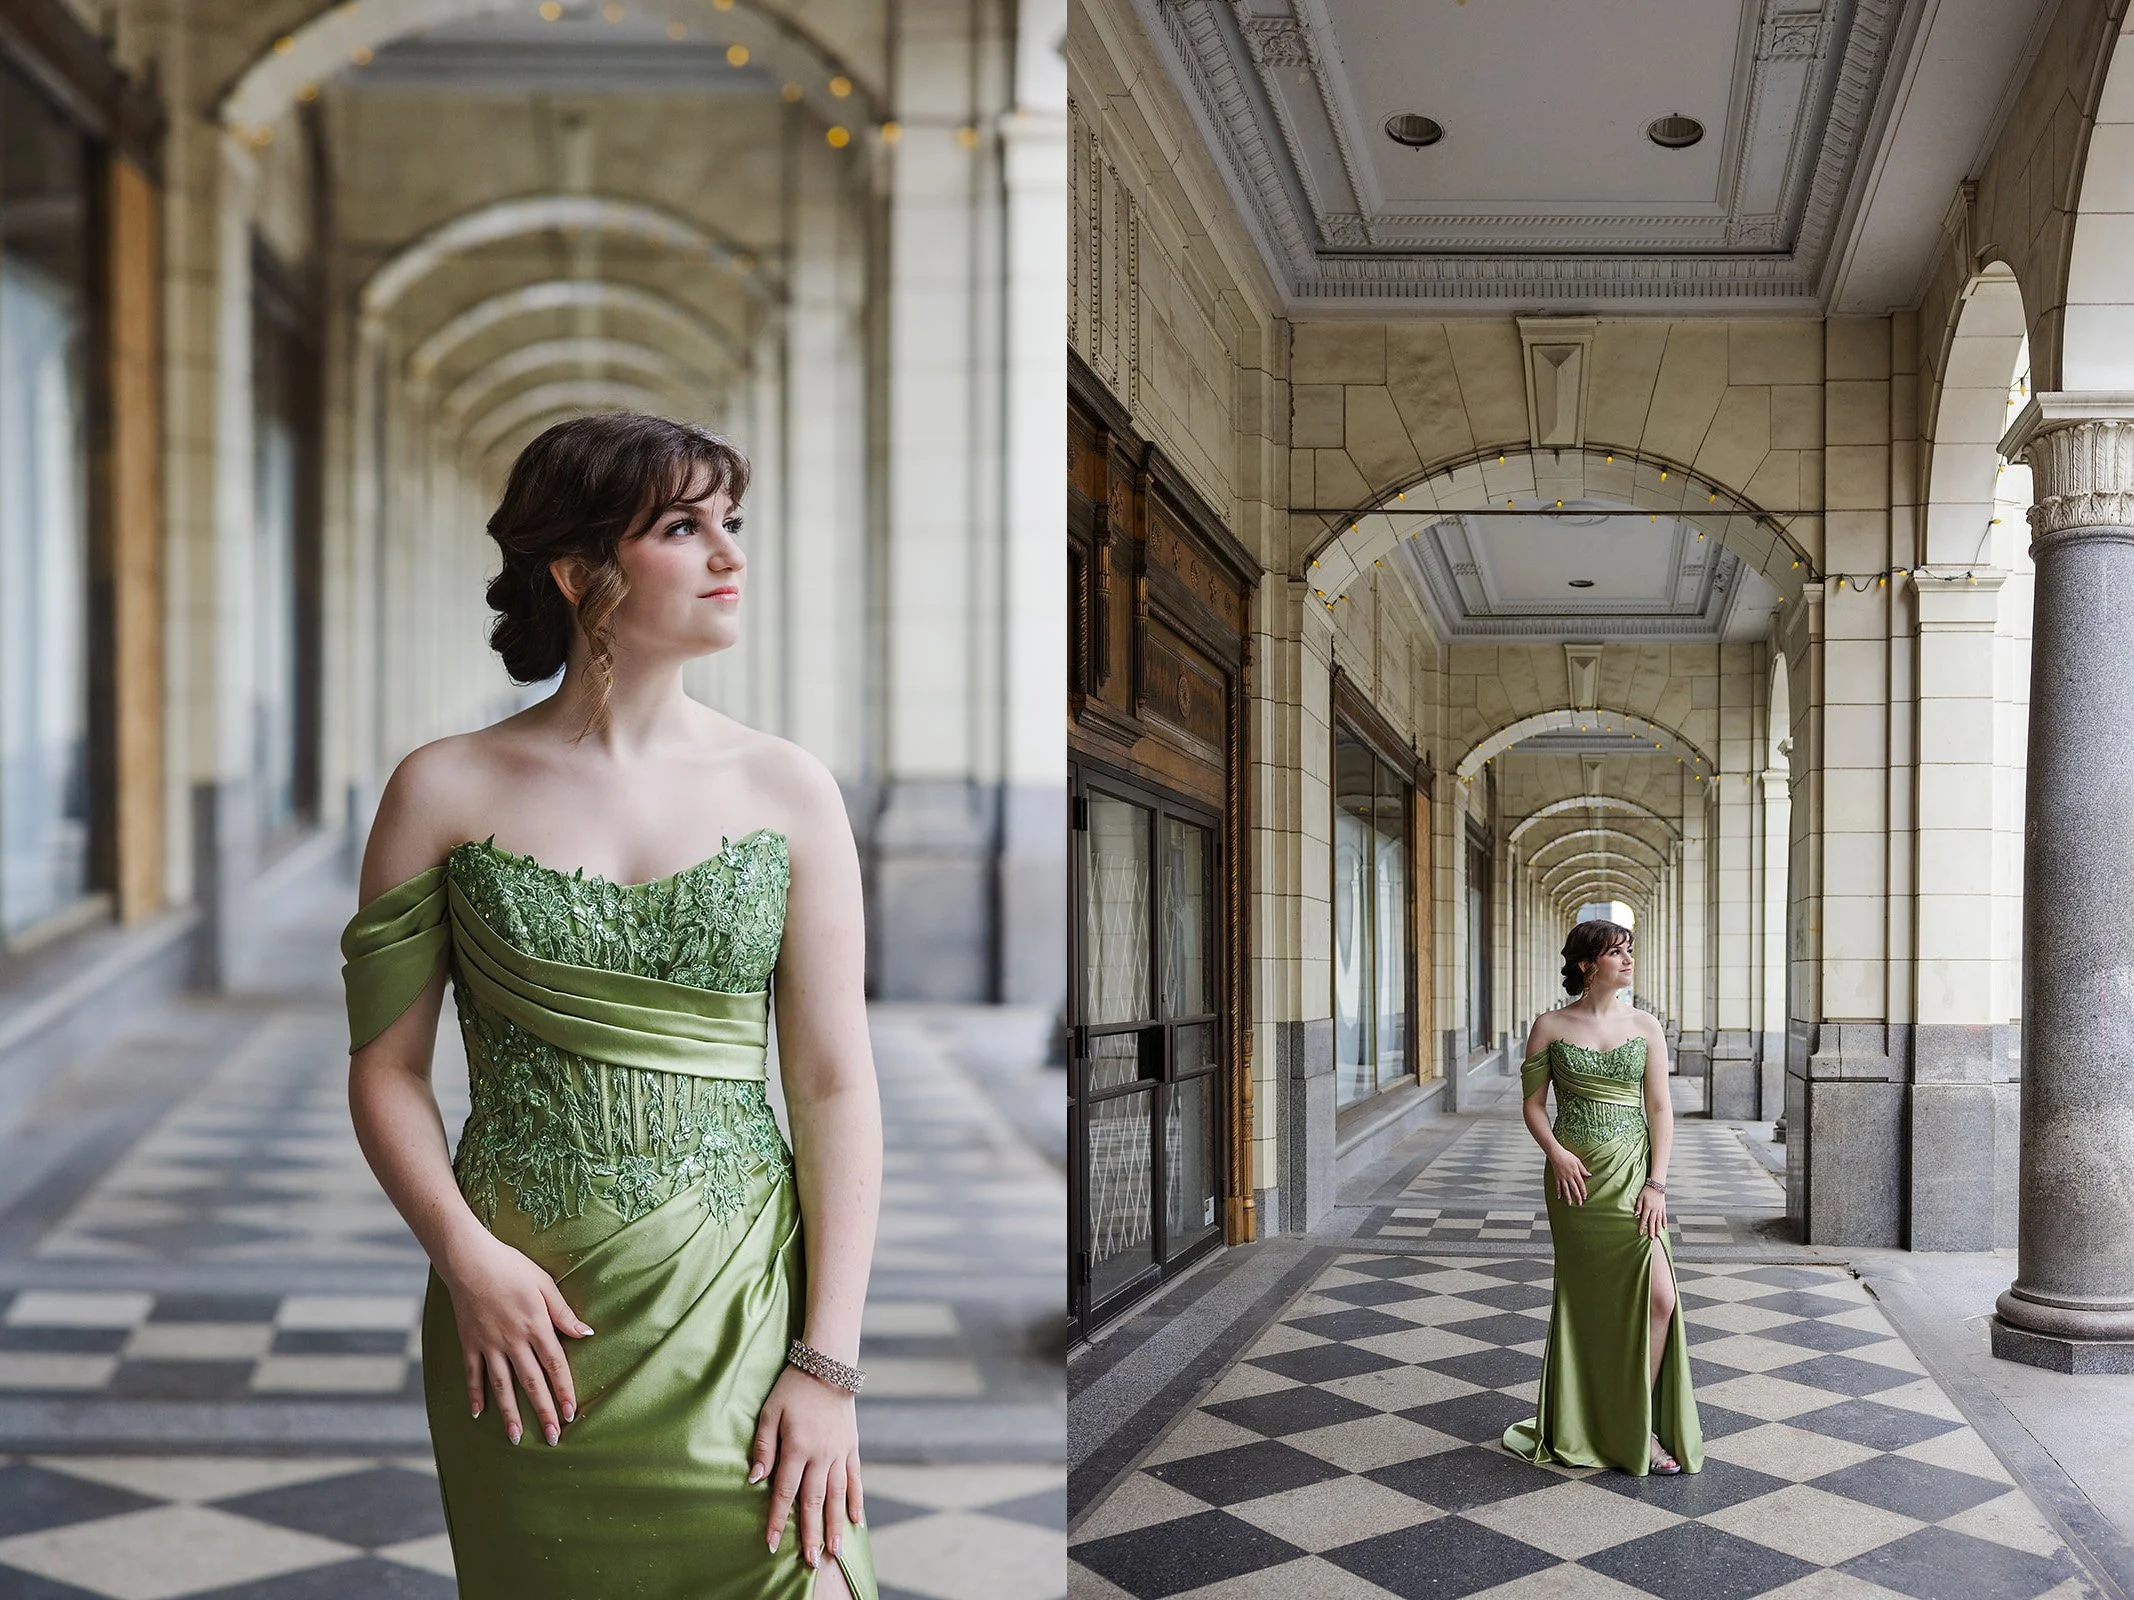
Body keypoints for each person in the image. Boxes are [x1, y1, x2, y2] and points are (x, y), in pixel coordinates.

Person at [341, 412, 881, 1598]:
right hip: (524, 1319)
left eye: (731, 523)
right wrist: (464, 1257)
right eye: (685, 528)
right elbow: (385, 1070)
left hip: (736, 1301)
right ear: (578, 570)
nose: (731, 556)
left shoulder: (788, 788)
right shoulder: (442, 786)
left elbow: (834, 1083)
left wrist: (827, 1364)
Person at [1501, 918, 1703, 1478]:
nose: (1628, 958)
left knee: (1660, 1298)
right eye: (1617, 951)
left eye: (1629, 949)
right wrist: (1555, 1153)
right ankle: (1604, 1425)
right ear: (1589, 964)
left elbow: (1660, 1109)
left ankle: (1635, 1423)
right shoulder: (1548, 1025)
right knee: (1589, 1306)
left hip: (1634, 1174)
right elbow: (1534, 1106)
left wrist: (1658, 1183)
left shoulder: (1647, 1026)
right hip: (1576, 1183)